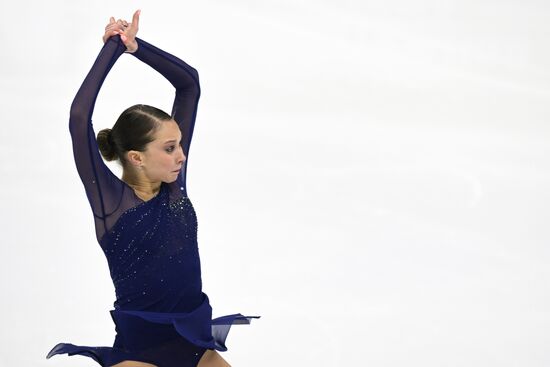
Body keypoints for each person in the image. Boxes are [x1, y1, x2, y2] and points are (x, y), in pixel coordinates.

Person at [45, 10, 260, 367]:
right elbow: (79, 117)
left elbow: (189, 84)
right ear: (136, 157)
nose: (182, 155)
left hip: (196, 346)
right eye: (169, 148)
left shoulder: (175, 189)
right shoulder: (111, 204)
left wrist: (134, 46)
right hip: (142, 355)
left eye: (180, 144)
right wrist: (110, 50)